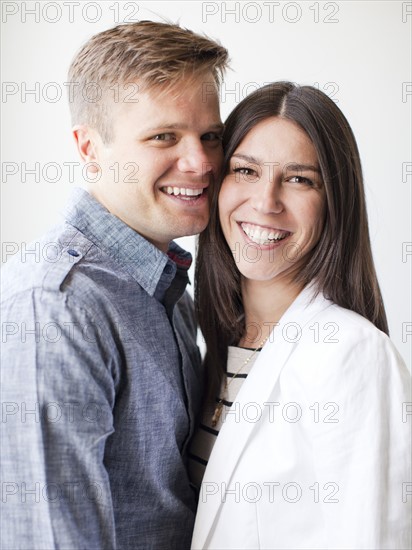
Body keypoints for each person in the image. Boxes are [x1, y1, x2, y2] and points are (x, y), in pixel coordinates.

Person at [1, 21, 228, 549]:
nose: (200, 163)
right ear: (89, 148)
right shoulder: (56, 309)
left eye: (210, 136)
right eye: (163, 136)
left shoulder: (165, 285)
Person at [189, 82, 411, 549]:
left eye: (298, 179)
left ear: (334, 202)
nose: (266, 201)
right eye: (246, 170)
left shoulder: (352, 353)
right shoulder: (215, 346)